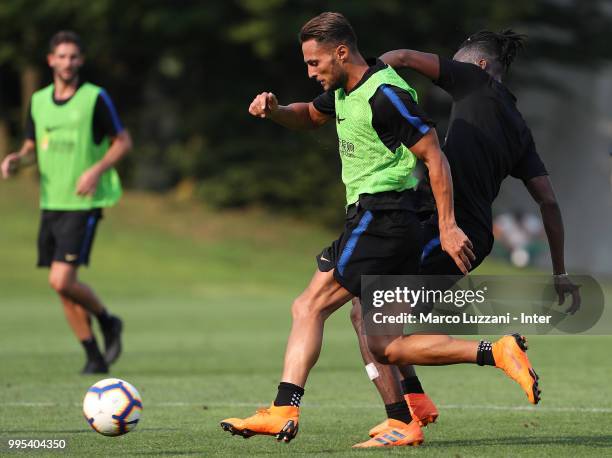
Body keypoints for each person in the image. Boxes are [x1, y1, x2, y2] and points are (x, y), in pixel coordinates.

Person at [220, 13, 539, 448]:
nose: (310, 72)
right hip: (379, 222)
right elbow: (309, 117)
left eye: (315, 63)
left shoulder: (384, 94)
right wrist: (275, 111)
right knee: (387, 345)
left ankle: (283, 408)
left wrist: (447, 228)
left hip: (383, 218)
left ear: (341, 52)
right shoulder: (342, 93)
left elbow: (434, 158)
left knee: (309, 306)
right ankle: (488, 356)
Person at [349, 30, 580, 446]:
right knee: (377, 313)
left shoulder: (475, 81)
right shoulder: (518, 127)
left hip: (445, 230)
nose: (450, 70)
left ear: (479, 66)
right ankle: (414, 402)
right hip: (469, 240)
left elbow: (401, 55)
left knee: (366, 309)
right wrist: (560, 273)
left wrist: (357, 87)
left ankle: (407, 416)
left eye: (457, 63)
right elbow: (548, 202)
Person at [1, 31, 132, 374]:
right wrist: (16, 160)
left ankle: (107, 320)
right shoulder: (39, 101)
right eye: (61, 56)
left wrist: (96, 170)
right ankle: (93, 354)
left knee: (61, 280)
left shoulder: (94, 98)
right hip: (50, 202)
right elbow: (31, 150)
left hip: (81, 203)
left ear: (81, 61)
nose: (68, 62)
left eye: (74, 56)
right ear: (50, 60)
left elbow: (122, 141)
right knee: (63, 288)